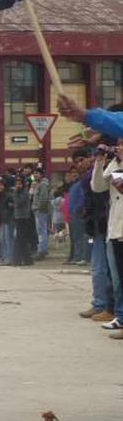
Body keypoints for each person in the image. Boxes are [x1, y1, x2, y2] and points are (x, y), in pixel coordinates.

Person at [90, 144, 123, 337]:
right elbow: (98, 186)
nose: (118, 148)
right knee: (117, 278)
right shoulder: (114, 164)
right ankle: (120, 316)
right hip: (114, 227)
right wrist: (99, 162)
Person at [12, 176, 34, 266]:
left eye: (20, 184)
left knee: (22, 239)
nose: (18, 186)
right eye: (17, 184)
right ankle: (20, 259)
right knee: (19, 239)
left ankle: (25, 259)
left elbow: (18, 202)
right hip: (17, 217)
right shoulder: (16, 192)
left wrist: (15, 193)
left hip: (24, 217)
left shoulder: (24, 192)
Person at [30, 167, 51, 259]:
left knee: (41, 231)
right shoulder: (36, 184)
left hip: (41, 211)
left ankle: (42, 250)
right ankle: (41, 249)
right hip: (37, 210)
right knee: (40, 230)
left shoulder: (43, 185)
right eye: (34, 173)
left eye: (37, 173)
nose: (35, 175)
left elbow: (43, 198)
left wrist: (38, 207)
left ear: (41, 175)